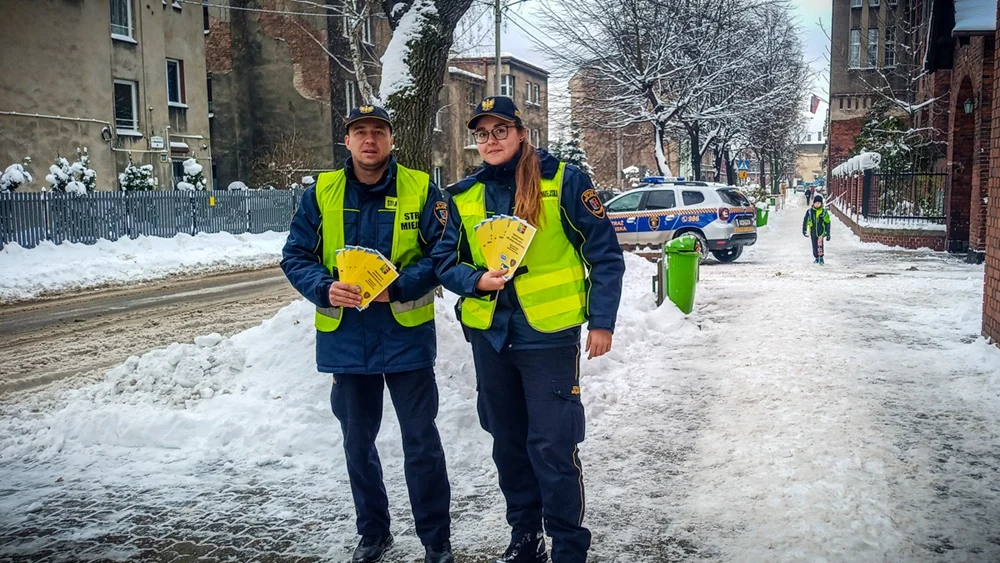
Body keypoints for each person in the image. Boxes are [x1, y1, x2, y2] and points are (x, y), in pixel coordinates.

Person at [433, 97, 625, 563]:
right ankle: (525, 536)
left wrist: (602, 322)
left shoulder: (564, 181)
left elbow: (605, 256)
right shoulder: (463, 195)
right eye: (483, 134)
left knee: (552, 444)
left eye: (501, 131)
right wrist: (475, 279)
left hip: (548, 335)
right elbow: (443, 260)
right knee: (508, 443)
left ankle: (567, 545)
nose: (491, 141)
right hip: (490, 333)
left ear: (521, 133)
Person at [280, 105, 454, 563]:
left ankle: (436, 541)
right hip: (346, 339)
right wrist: (323, 287)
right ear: (348, 141)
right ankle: (373, 533)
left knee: (421, 442)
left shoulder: (421, 188)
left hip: (406, 337)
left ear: (391, 140)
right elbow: (295, 255)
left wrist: (397, 286)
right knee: (358, 443)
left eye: (378, 131)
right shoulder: (321, 192)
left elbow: (444, 254)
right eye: (361, 132)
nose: (370, 140)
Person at [802, 194, 832, 264]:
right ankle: (816, 257)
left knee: (820, 245)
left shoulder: (823, 212)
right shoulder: (810, 212)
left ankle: (821, 258)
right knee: (814, 245)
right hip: (813, 231)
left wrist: (828, 233)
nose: (817, 204)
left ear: (821, 204)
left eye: (819, 203)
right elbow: (805, 221)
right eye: (816, 203)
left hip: (821, 231)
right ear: (813, 203)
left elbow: (827, 222)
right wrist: (804, 230)